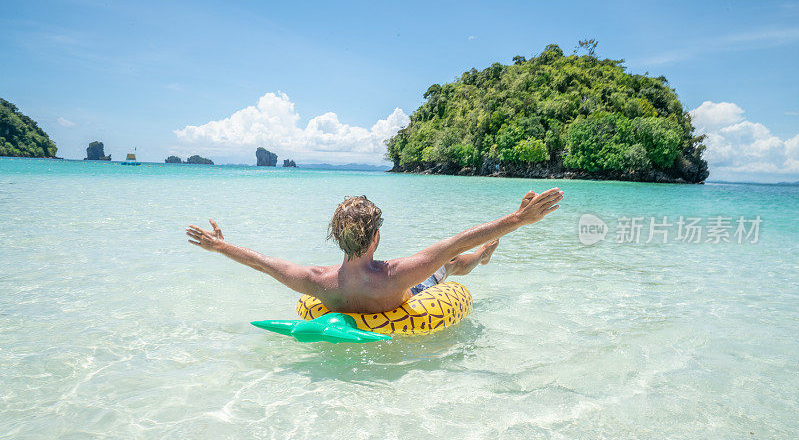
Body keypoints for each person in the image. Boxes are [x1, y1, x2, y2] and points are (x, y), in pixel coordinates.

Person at [186, 188, 563, 313]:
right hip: (405, 295)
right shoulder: (395, 274)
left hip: (344, 294)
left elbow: (262, 264)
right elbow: (457, 241)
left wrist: (220, 247)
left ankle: (483, 254)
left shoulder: (317, 282)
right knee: (452, 263)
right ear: (376, 239)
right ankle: (485, 255)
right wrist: (518, 220)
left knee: (453, 258)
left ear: (337, 238)